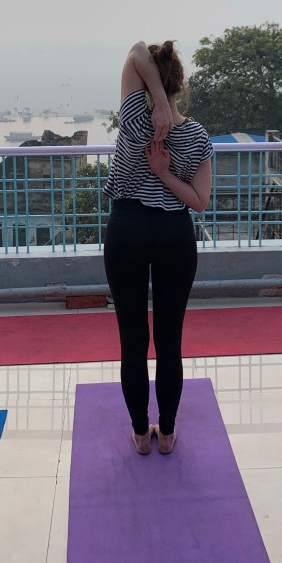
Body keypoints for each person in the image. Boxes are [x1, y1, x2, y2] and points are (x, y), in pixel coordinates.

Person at [103, 41, 213, 455]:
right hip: (173, 235)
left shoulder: (133, 118)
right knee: (170, 341)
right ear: (180, 83)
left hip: (127, 230)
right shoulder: (197, 135)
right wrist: (166, 175)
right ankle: (166, 434)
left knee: (132, 341)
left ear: (147, 83)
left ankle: (139, 434)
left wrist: (157, 104)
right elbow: (199, 202)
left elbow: (135, 51)